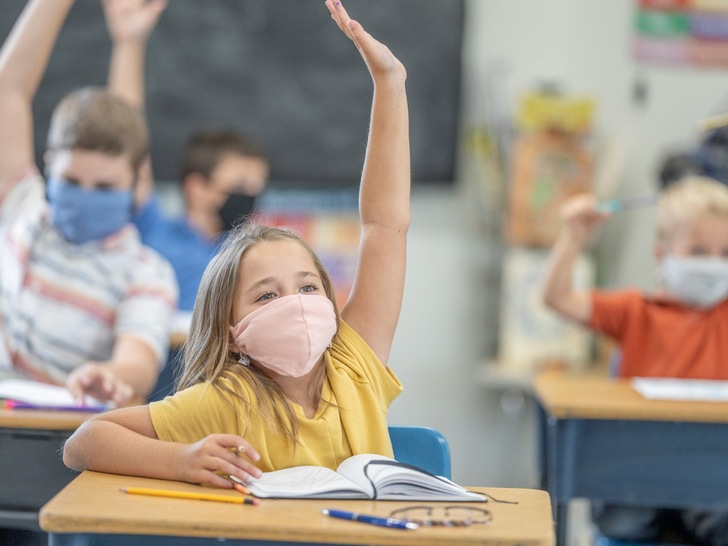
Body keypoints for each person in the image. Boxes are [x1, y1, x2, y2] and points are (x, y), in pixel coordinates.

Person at [63, 0, 410, 489]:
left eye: (308, 288)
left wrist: (390, 83)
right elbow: (84, 441)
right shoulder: (228, 399)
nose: (296, 305)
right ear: (231, 332)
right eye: (267, 296)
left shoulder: (356, 367)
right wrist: (180, 460)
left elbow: (385, 226)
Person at [0, 0, 178, 406]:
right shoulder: (20, 205)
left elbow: (139, 360)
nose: (85, 195)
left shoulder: (145, 273)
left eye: (104, 187)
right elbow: (8, 90)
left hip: (49, 435)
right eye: (71, 181)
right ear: (48, 167)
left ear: (137, 183)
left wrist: (112, 376)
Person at [541, 176, 728, 545]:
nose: (714, 263)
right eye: (698, 250)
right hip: (638, 470)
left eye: (726, 253)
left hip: (713, 472)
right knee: (619, 520)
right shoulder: (636, 310)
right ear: (662, 254)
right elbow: (557, 297)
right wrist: (574, 235)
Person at [103, 0, 269, 311]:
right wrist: (129, 44)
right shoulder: (152, 231)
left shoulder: (250, 255)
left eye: (256, 189)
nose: (250, 198)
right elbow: (126, 138)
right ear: (197, 187)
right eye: (240, 185)